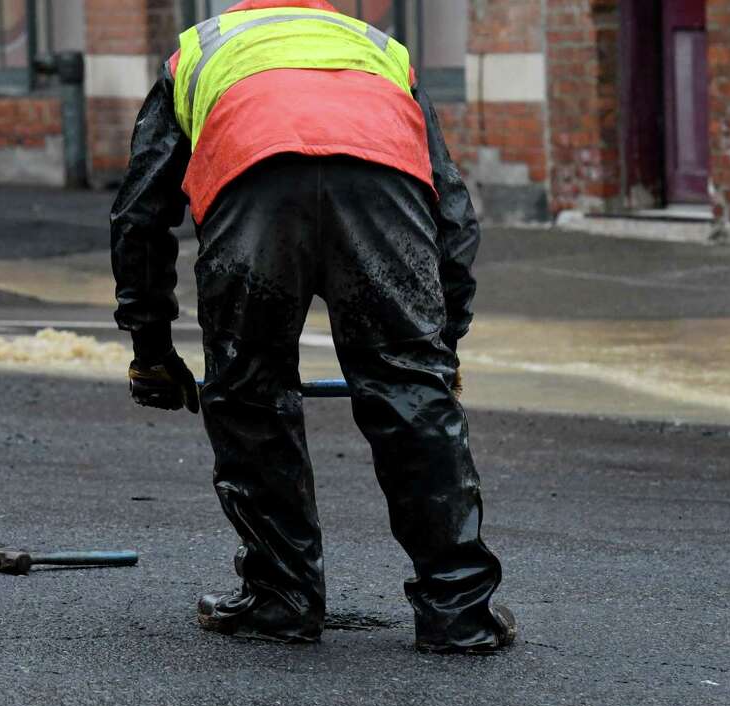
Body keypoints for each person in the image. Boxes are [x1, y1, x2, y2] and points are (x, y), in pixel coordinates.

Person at [109, 0, 515, 653]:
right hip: (379, 184)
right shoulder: (381, 51)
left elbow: (140, 215)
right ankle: (457, 610)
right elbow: (455, 217)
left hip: (255, 179)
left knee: (249, 395)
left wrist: (150, 347)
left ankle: (282, 600)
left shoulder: (199, 50)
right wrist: (440, 350)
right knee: (410, 395)